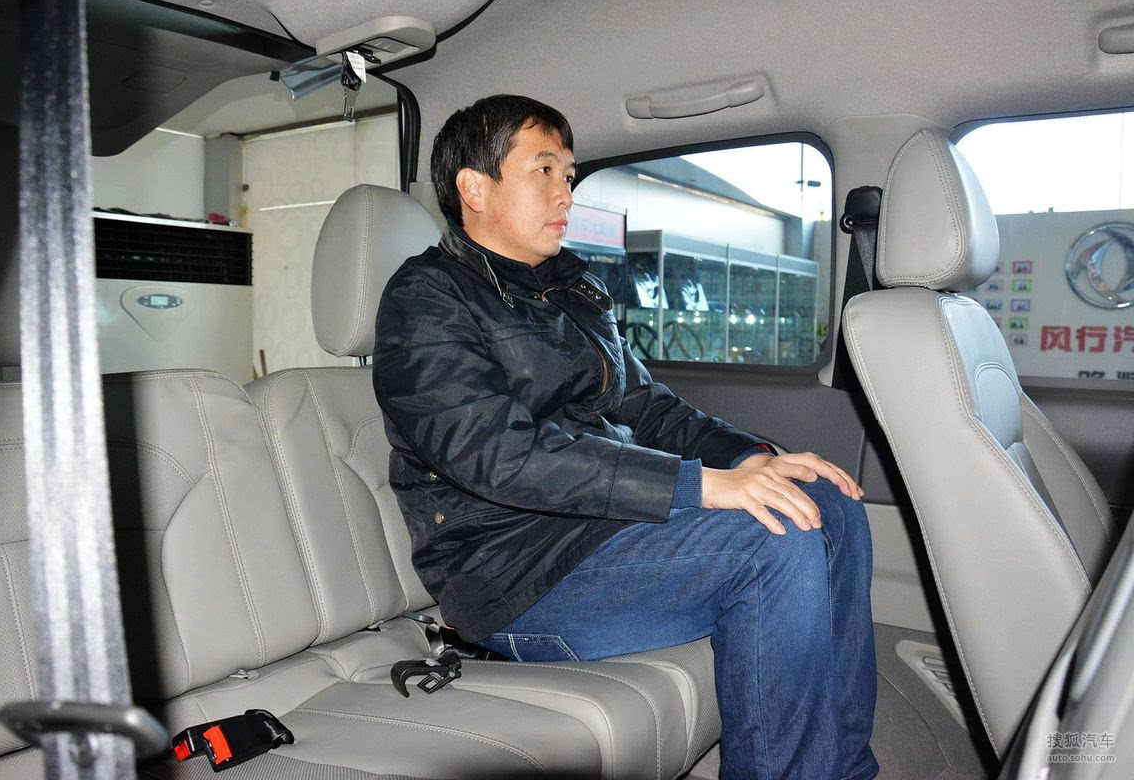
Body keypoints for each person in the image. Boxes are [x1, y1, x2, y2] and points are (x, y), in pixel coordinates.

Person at [373, 94, 878, 780]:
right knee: (774, 536)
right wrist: (699, 486)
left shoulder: (571, 292)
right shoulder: (427, 298)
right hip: (514, 572)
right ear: (474, 187)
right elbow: (496, 454)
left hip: (602, 531)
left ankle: (842, 770)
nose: (565, 193)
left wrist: (756, 458)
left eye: (569, 175)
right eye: (543, 171)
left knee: (827, 504)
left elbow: (650, 409)